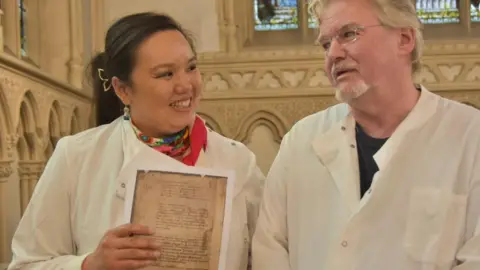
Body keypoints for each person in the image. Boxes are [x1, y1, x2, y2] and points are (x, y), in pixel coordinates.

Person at [8, 12, 264, 270]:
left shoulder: (238, 161)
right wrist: (90, 264)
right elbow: (26, 264)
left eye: (191, 67)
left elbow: (267, 258)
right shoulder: (77, 157)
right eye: (166, 74)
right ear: (123, 90)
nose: (185, 84)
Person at [252, 0, 480, 269]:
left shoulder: (470, 137)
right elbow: (270, 247)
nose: (333, 54)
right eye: (326, 44)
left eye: (349, 34)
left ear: (404, 40)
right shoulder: (300, 141)